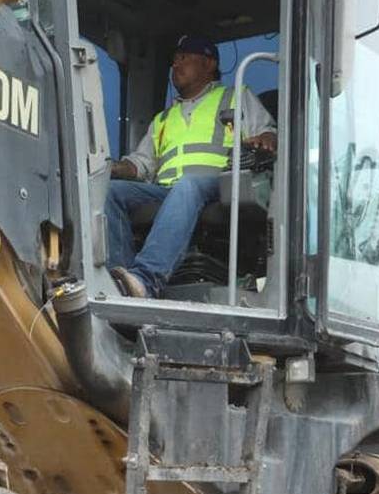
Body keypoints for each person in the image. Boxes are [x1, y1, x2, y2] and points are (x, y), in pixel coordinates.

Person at [106, 34, 276, 298]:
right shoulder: (162, 119)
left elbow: (267, 133)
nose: (176, 65)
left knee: (189, 184)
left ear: (208, 64)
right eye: (174, 60)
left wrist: (266, 138)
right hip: (167, 191)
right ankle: (119, 283)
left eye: (184, 58)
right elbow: (141, 164)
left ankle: (146, 280)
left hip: (216, 185)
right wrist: (114, 168)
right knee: (112, 192)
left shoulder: (235, 96)